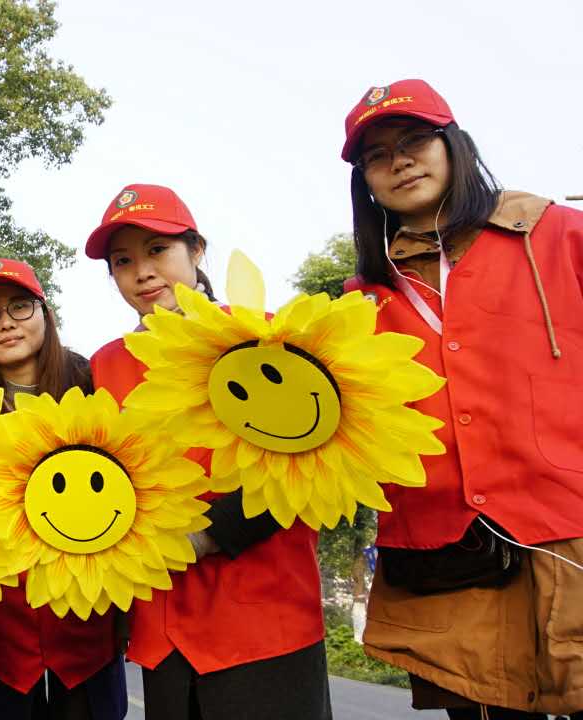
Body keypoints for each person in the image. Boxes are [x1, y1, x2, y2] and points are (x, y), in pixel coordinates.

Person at [340, 78, 583, 719]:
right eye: (376, 154)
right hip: (451, 562)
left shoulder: (559, 235)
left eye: (416, 139)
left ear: (454, 144)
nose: (399, 161)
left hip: (571, 538)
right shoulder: (358, 301)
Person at [86, 184, 332, 719]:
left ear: (197, 252)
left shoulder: (267, 339)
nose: (143, 272)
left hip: (264, 624)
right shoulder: (105, 367)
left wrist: (210, 534)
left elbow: (309, 465)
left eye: (158, 251)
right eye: (123, 261)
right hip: (164, 636)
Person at [0, 257, 127, 720]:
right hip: (2, 620)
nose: (7, 323)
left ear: (45, 313)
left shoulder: (94, 385)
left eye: (20, 306)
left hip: (87, 616)